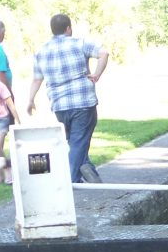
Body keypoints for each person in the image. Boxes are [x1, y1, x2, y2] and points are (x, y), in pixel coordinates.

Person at [27, 13, 110, 183]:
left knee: (75, 141)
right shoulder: (79, 43)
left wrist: (30, 99)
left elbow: (37, 78)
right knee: (79, 143)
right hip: (83, 102)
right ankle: (69, 181)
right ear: (68, 28)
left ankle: (88, 171)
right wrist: (97, 74)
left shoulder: (41, 51)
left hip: (59, 105)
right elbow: (104, 53)